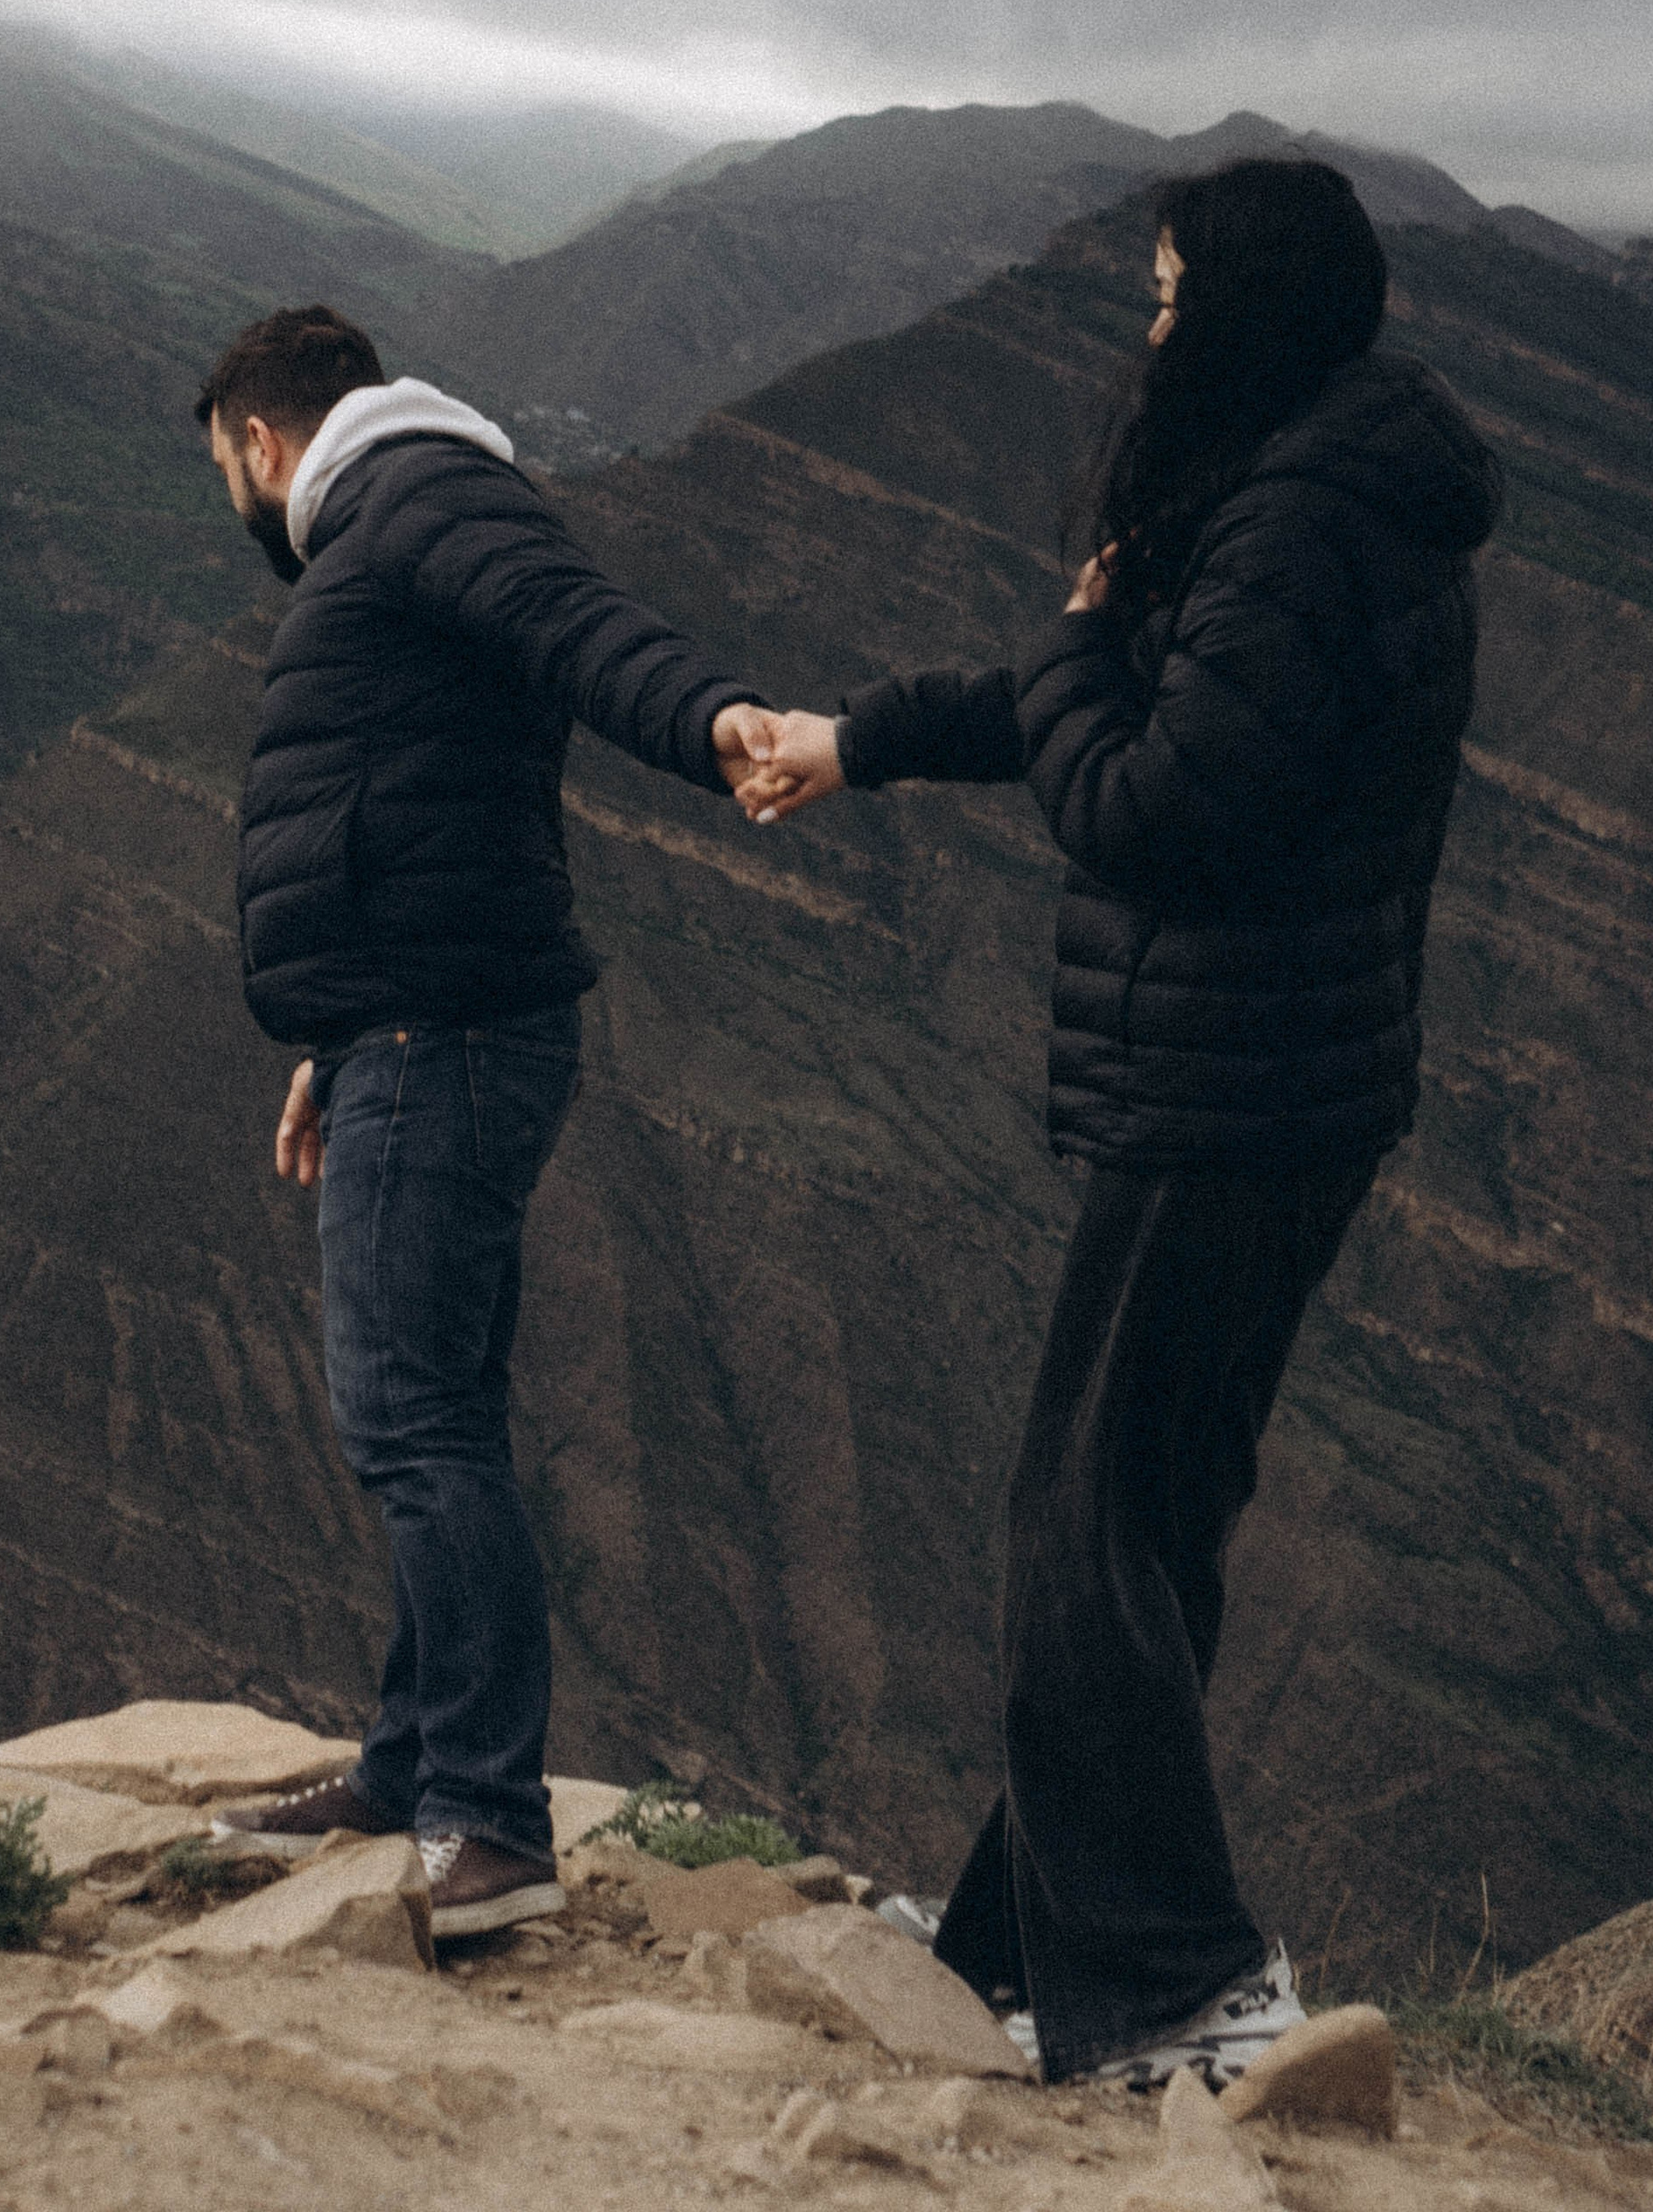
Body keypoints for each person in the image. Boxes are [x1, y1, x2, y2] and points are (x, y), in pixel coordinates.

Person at [735, 158, 1500, 2086]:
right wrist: (866, 738)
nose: (1147, 337)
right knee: (1136, 1520)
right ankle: (1027, 1946)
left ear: (1236, 313)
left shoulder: (1302, 520)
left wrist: (1074, 644)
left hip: (1234, 1088)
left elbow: (1148, 796)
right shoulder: (1312, 489)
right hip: (1277, 1081)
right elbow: (1107, 698)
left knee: (1080, 1525)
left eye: (1166, 301)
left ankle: (1179, 1987)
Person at [195, 303, 778, 1936]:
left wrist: (712, 720)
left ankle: (492, 1821)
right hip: (413, 1022)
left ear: (258, 444)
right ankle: (411, 1760)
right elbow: (416, 797)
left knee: (412, 1422)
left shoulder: (421, 502)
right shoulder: (401, 517)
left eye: (224, 477)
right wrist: (332, 1033)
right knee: (435, 1411)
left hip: (443, 1038)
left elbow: (585, 629)